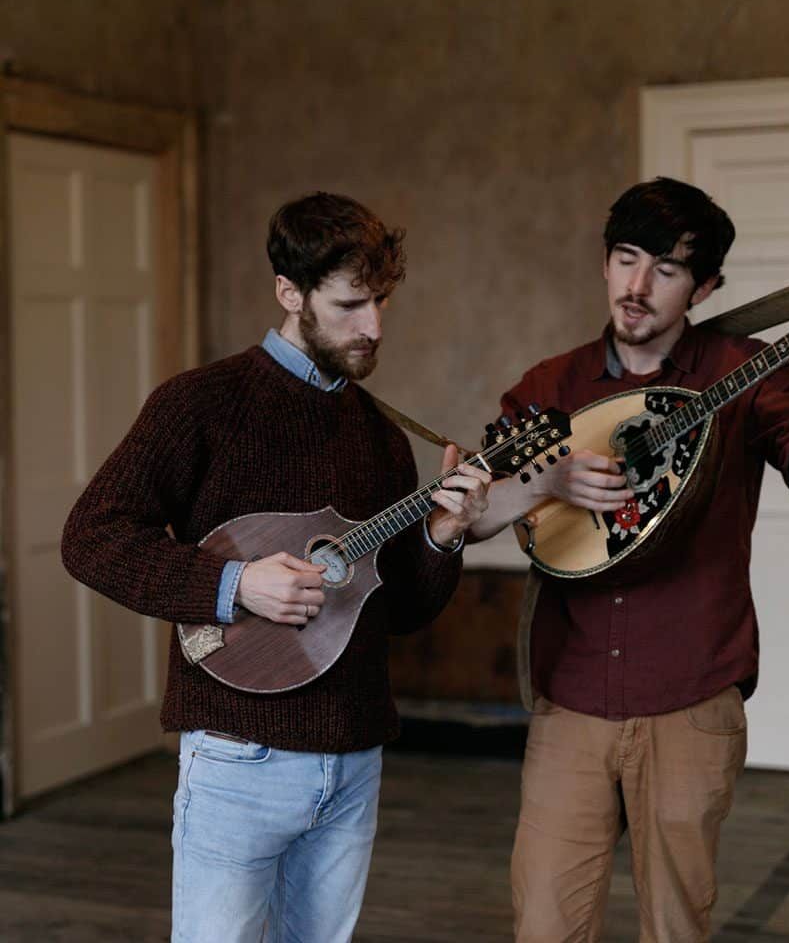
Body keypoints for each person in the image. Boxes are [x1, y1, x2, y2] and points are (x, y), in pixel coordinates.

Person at [469, 177, 789, 942]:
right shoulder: (553, 387)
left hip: (691, 697)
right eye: (625, 258)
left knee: (676, 927)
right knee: (544, 925)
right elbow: (468, 519)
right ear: (605, 262)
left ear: (705, 286)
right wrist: (549, 478)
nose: (636, 288)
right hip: (569, 699)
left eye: (666, 270)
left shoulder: (745, 373)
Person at [61, 192, 491, 943]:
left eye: (382, 301)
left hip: (353, 758)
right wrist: (233, 585)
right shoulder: (199, 404)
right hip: (239, 755)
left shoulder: (382, 437)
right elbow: (91, 536)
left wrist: (445, 534)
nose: (374, 327)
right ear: (289, 293)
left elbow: (404, 611)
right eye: (351, 304)